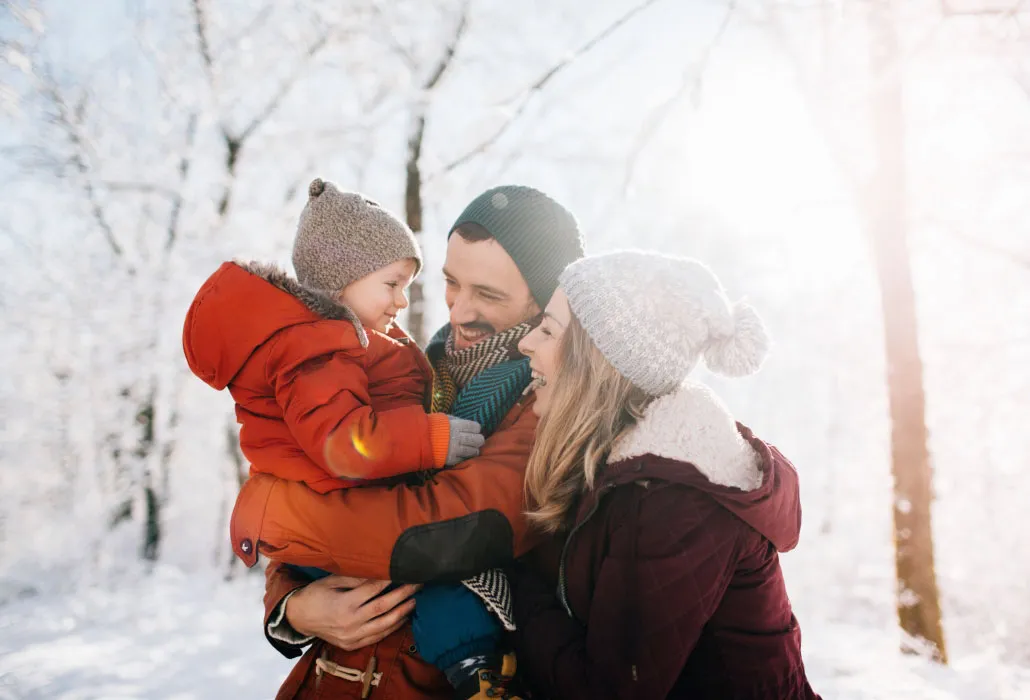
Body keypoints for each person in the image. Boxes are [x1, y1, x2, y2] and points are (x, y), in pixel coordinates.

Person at [232, 185, 585, 699]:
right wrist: (295, 608)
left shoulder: (547, 407)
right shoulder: (407, 369)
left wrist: (276, 512)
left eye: (488, 294)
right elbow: (322, 478)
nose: (459, 312)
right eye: (450, 283)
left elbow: (445, 529)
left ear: (543, 298)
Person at [183, 178, 509, 692]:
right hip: (333, 536)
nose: (404, 301)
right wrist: (432, 440)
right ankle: (477, 673)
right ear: (342, 280)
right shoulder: (318, 350)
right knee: (438, 594)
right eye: (392, 283)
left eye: (407, 285)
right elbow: (342, 442)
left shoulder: (347, 344)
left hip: (342, 535)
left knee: (436, 589)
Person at [470, 250, 818, 698]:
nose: (526, 343)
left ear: (594, 361)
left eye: (549, 329)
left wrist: (507, 580)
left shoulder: (674, 502)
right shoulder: (609, 462)